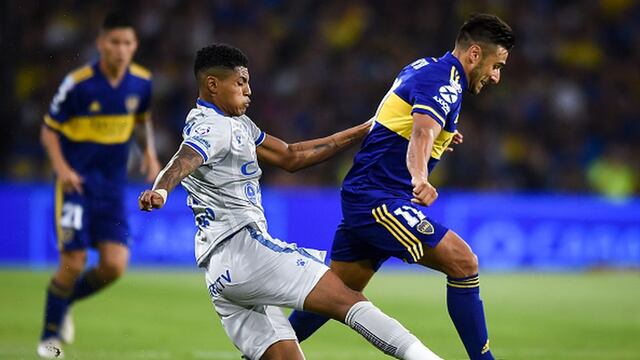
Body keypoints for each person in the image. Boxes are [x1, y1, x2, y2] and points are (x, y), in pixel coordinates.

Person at [138, 43, 443, 360]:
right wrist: (161, 189)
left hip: (221, 275)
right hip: (247, 251)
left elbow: (291, 155)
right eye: (240, 82)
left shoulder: (236, 124)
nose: (249, 90)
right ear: (213, 84)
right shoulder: (212, 127)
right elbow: (184, 159)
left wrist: (365, 130)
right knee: (349, 300)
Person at [288, 13, 515, 360]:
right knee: (463, 262)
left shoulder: (424, 66)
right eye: (496, 65)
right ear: (474, 54)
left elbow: (404, 121)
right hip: (378, 198)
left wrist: (443, 135)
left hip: (366, 192)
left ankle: (261, 352)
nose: (496, 76)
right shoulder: (444, 82)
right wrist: (420, 176)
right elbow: (421, 132)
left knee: (337, 292)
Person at [37, 13, 161, 358]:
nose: (121, 50)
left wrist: (148, 153)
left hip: (112, 187)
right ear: (101, 44)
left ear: (134, 46)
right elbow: (49, 130)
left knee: (114, 266)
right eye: (114, 42)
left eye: (127, 43)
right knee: (73, 262)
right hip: (76, 184)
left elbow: (142, 120)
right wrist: (62, 169)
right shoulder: (78, 84)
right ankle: (49, 337)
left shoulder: (141, 83)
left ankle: (65, 304)